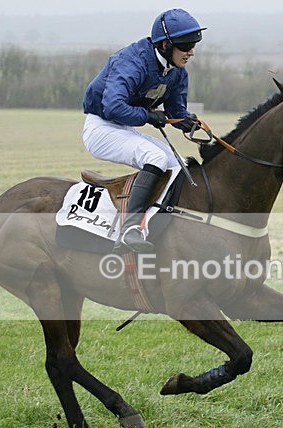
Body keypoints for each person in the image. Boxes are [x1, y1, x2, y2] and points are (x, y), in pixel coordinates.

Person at [82, 8, 205, 252]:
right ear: (165, 44)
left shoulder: (177, 73)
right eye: (186, 44)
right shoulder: (133, 62)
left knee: (175, 162)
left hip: (124, 128)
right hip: (101, 128)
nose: (191, 51)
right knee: (156, 157)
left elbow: (175, 113)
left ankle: (155, 223)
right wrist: (148, 116)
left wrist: (187, 121)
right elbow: (113, 106)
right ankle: (130, 230)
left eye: (194, 44)